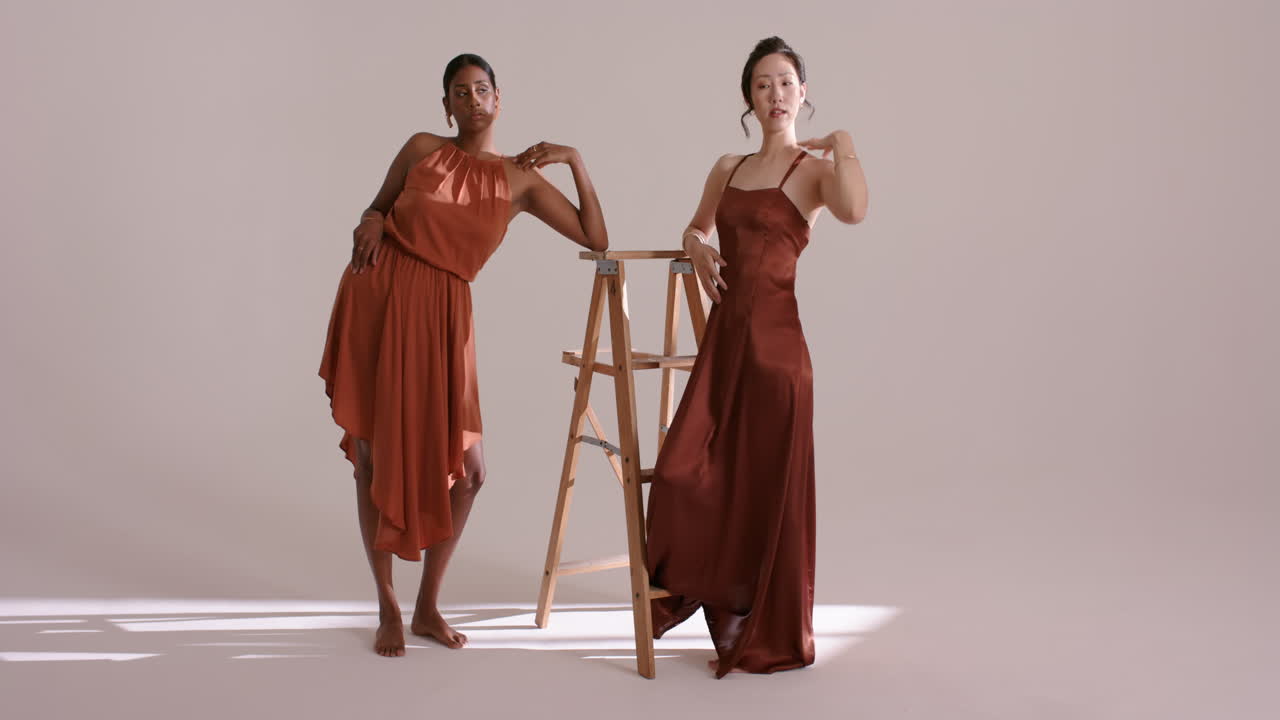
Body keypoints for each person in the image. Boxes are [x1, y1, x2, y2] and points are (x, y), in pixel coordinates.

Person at [319, 53, 608, 657]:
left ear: (499, 99)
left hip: (447, 317)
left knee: (470, 472)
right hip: (382, 295)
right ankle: (389, 608)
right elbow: (378, 204)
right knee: (371, 455)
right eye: (460, 91)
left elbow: (594, 236)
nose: (473, 100)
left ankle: (428, 604)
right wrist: (371, 218)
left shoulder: (520, 181)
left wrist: (575, 159)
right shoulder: (423, 146)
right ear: (446, 105)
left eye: (482, 90)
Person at [644, 36, 869, 677]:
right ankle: (718, 595)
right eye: (763, 83)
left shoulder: (815, 171)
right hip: (723, 348)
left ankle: (759, 621)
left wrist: (844, 138)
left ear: (803, 93)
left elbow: (854, 209)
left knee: (766, 488)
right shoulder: (728, 167)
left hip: (777, 354)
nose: (776, 94)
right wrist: (694, 245)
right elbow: (695, 227)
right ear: (748, 96)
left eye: (787, 82)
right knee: (684, 472)